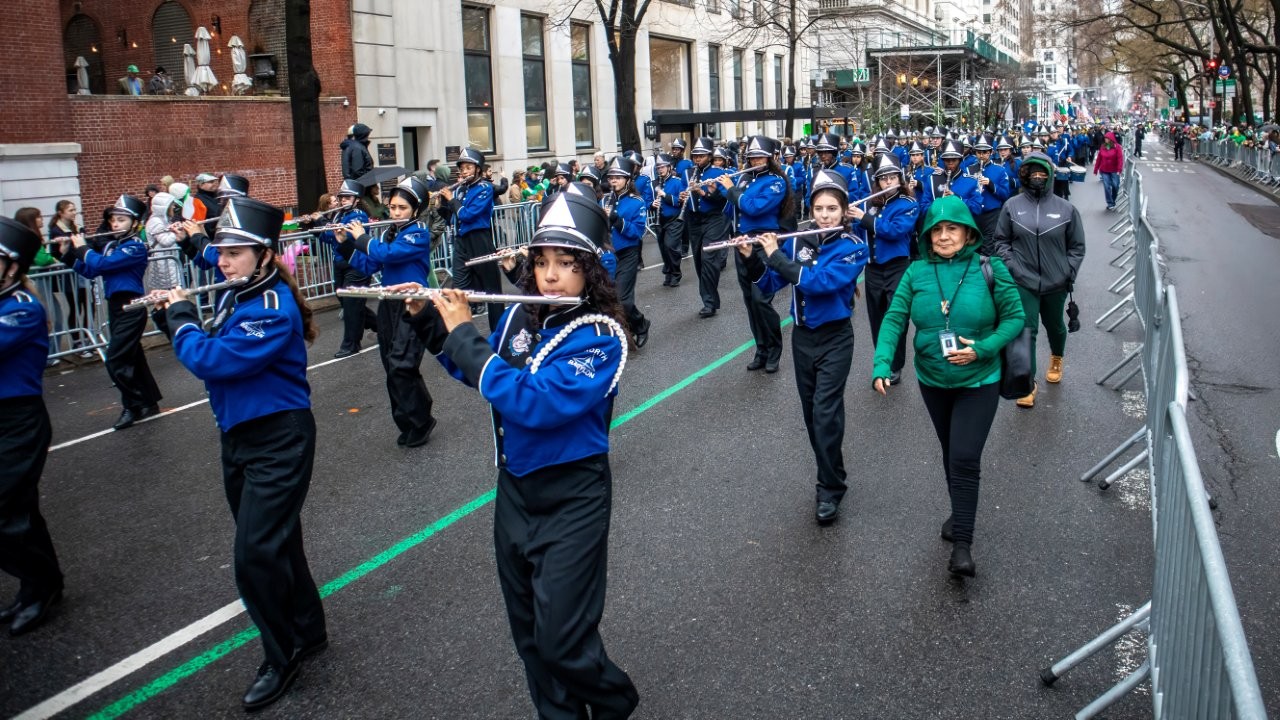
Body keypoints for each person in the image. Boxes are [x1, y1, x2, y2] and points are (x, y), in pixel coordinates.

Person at [400, 188, 639, 720]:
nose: (550, 275)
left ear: (591, 271)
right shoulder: (518, 319)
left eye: (566, 264)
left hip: (573, 494)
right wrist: (429, 322)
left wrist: (465, 332)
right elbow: (478, 373)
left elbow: (534, 404)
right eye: (541, 261)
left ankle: (615, 698)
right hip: (515, 490)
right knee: (530, 635)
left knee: (561, 640)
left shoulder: (602, 336)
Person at [153, 197, 327, 711]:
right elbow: (209, 258)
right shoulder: (242, 286)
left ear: (266, 256)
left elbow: (215, 360)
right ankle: (308, 628)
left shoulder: (272, 309)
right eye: (221, 252)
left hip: (279, 437)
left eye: (234, 252)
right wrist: (190, 250)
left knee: (254, 556)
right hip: (240, 435)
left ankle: (283, 654)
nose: (222, 261)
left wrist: (180, 318)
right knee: (277, 540)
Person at [870, 195, 1026, 577]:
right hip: (932, 378)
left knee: (964, 457)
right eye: (936, 229)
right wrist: (881, 363)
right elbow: (894, 319)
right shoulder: (915, 272)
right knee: (951, 450)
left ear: (968, 232)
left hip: (980, 378)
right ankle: (959, 511)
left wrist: (984, 349)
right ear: (926, 236)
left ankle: (962, 545)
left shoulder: (990, 269)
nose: (943, 236)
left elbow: (1015, 317)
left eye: (952, 228)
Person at [740, 170, 869, 524]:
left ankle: (828, 488)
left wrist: (777, 255)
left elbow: (820, 283)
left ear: (844, 211)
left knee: (826, 413)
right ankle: (834, 474)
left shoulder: (854, 247)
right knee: (813, 415)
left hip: (836, 338)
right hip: (803, 338)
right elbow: (768, 286)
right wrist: (753, 257)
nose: (825, 215)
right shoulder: (799, 241)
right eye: (819, 208)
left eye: (832, 208)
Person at [0, 215, 66, 635]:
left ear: (11, 267)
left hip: (18, 421)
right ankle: (36, 585)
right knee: (19, 510)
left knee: (7, 512)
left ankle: (42, 584)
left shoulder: (22, 308)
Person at [336, 176, 438, 447]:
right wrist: (346, 242)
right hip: (388, 303)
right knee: (390, 366)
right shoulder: (390, 232)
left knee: (402, 364)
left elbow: (389, 254)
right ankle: (406, 421)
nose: (394, 213)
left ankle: (421, 420)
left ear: (415, 210)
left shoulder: (418, 232)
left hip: (412, 302)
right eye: (392, 207)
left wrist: (362, 237)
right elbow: (370, 265)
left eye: (401, 208)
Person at [992, 153, 1086, 408]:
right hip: (1023, 280)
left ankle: (1057, 357)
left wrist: (1068, 271)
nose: (1037, 177)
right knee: (1026, 330)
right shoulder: (1012, 205)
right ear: (1024, 175)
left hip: (1056, 282)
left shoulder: (1066, 209)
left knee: (1055, 326)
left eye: (1042, 173)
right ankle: (1027, 382)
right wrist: (1011, 267)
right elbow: (1001, 241)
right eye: (1031, 172)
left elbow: (1077, 247)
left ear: (1050, 175)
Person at [63, 195, 163, 429]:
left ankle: (132, 405)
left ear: (135, 223)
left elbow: (101, 265)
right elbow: (90, 271)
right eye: (113, 221)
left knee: (116, 360)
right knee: (133, 358)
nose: (115, 224)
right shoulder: (115, 247)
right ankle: (149, 401)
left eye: (121, 220)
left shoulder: (135, 247)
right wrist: (67, 253)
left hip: (132, 305)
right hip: (116, 305)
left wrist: (84, 247)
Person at [720, 136, 790, 373]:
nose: (755, 160)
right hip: (743, 242)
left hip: (763, 242)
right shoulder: (745, 179)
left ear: (770, 159)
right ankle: (761, 349)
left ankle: (774, 349)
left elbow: (753, 207)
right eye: (752, 157)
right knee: (750, 302)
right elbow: (733, 210)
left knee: (761, 299)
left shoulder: (776, 182)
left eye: (760, 156)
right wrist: (716, 190)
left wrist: (731, 189)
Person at [849, 153, 919, 386]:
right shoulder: (869, 204)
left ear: (899, 178)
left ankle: (896, 364)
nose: (888, 182)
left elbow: (894, 231)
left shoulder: (908, 204)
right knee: (876, 316)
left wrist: (863, 219)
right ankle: (883, 360)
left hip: (897, 267)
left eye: (892, 177)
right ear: (876, 182)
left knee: (896, 317)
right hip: (872, 269)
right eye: (883, 179)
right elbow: (860, 237)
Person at [439, 148, 505, 331]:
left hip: (479, 240)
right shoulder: (461, 189)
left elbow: (467, 215)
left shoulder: (485, 188)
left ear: (477, 169)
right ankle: (460, 332)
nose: (464, 171)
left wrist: (451, 200)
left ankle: (498, 332)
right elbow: (452, 217)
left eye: (469, 167)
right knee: (457, 288)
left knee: (492, 290)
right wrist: (440, 205)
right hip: (461, 240)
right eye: (462, 168)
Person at [318, 179, 377, 357]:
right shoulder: (338, 215)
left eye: (347, 197)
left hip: (356, 263)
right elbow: (329, 238)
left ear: (356, 199)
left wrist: (322, 223)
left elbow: (347, 236)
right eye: (341, 197)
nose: (343, 200)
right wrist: (315, 226)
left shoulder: (358, 215)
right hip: (340, 261)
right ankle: (380, 325)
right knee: (346, 300)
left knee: (352, 304)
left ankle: (351, 344)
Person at [603, 155, 651, 347]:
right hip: (608, 255)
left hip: (627, 254)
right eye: (611, 177)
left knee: (623, 299)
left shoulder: (636, 202)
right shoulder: (605, 199)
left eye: (618, 177)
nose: (613, 180)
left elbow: (637, 232)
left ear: (628, 180)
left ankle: (641, 324)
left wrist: (616, 219)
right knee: (607, 298)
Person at [681, 138, 729, 318]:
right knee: (699, 261)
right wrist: (681, 196)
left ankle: (710, 302)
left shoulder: (718, 173)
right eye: (695, 156)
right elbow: (681, 194)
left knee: (709, 259)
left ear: (709, 156)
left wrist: (705, 193)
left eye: (701, 156)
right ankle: (707, 297)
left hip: (714, 219)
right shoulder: (688, 173)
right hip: (694, 220)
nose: (697, 159)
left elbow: (725, 197)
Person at [653, 153, 687, 287]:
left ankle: (676, 273)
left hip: (674, 219)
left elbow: (680, 201)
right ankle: (668, 272)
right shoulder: (655, 183)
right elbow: (648, 200)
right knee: (663, 248)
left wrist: (665, 195)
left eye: (662, 167)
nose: (660, 169)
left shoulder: (677, 182)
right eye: (658, 168)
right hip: (660, 220)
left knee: (670, 246)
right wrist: (652, 204)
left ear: (669, 167)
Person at [1093, 131, 1124, 211]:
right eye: (1105, 138)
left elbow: (1120, 159)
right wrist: (1096, 169)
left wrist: (1119, 169)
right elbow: (1099, 158)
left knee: (1115, 186)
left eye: (1107, 138)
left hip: (1114, 170)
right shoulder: (1103, 146)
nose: (1105, 140)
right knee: (1107, 187)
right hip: (1104, 170)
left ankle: (1113, 199)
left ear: (1111, 139)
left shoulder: (1117, 147)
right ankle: (1110, 203)